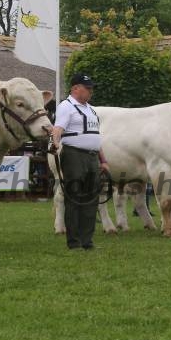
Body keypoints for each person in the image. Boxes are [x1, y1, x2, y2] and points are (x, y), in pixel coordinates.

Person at [51, 73, 107, 250]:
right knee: (75, 198)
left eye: (91, 88)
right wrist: (55, 142)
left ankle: (87, 241)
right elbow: (58, 128)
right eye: (87, 88)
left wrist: (103, 160)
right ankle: (74, 242)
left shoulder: (90, 109)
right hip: (74, 155)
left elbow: (95, 136)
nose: (90, 91)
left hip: (92, 157)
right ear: (75, 88)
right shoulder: (66, 107)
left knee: (91, 199)